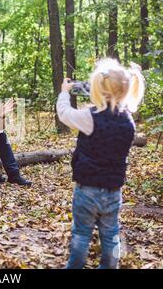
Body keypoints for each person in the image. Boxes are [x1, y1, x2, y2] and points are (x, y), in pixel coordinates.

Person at [57, 58, 145, 269]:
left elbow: (65, 114)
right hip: (114, 190)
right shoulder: (128, 121)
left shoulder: (91, 117)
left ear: (97, 89)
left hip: (87, 188)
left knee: (81, 234)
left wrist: (64, 92)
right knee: (111, 233)